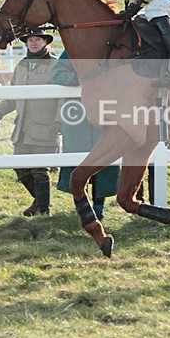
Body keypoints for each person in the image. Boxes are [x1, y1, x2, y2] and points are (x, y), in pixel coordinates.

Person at [0, 28, 60, 217]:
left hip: (45, 126)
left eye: (37, 39)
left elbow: (64, 97)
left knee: (39, 169)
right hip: (23, 128)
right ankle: (39, 202)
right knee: (20, 167)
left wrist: (59, 121)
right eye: (30, 40)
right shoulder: (21, 66)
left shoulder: (56, 65)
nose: (33, 43)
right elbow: (13, 96)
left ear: (45, 42)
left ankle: (44, 211)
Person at [52, 50, 119, 221]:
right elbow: (57, 74)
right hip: (76, 115)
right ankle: (82, 205)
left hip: (105, 112)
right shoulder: (72, 50)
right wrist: (78, 79)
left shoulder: (111, 50)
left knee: (103, 160)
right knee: (77, 160)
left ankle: (99, 206)